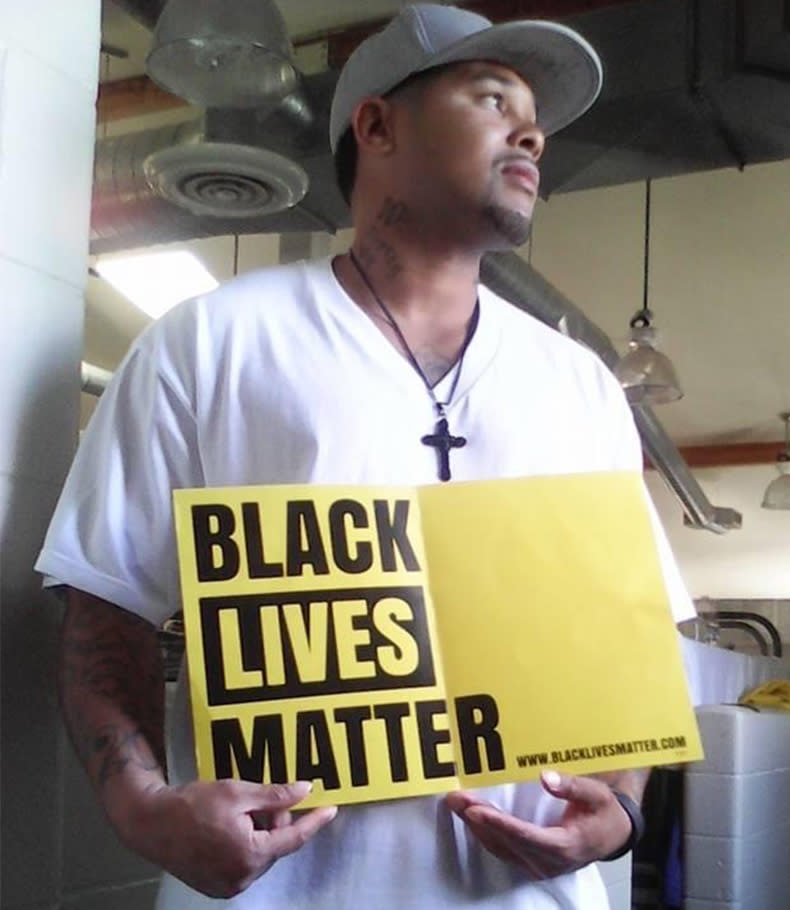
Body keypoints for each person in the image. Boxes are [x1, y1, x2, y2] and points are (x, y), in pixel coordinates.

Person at [37, 5, 695, 908]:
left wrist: (622, 809)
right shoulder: (211, 343)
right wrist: (147, 811)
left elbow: (636, 637)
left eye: (534, 114)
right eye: (491, 95)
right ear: (376, 125)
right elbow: (104, 612)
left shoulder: (581, 386)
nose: (533, 131)